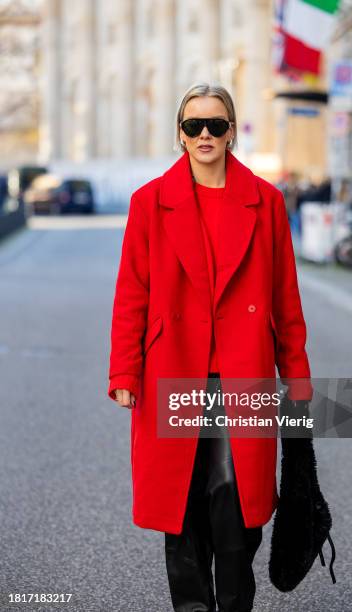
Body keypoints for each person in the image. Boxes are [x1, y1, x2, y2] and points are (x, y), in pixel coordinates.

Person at [107, 82, 312, 612]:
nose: (204, 134)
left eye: (215, 125)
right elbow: (132, 293)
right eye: (193, 125)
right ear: (180, 134)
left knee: (236, 508)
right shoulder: (149, 202)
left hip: (242, 376)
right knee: (183, 511)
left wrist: (298, 374)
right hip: (172, 371)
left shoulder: (265, 201)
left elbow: (285, 296)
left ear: (231, 132)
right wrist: (125, 374)